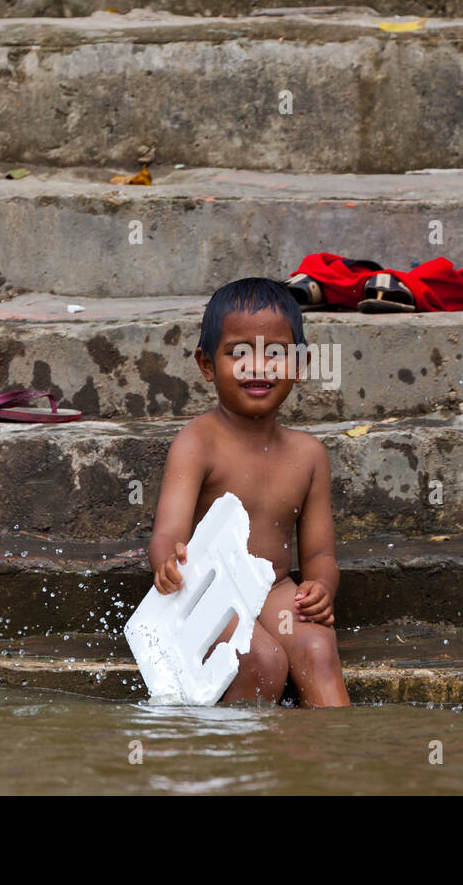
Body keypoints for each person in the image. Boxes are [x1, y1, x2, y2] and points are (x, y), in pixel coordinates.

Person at [148, 278, 351, 707]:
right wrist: (167, 563)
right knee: (261, 659)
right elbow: (168, 533)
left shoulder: (308, 455)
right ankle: (240, 749)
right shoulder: (198, 443)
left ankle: (333, 746)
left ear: (300, 364)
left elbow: (319, 554)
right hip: (207, 591)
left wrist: (321, 587)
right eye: (239, 353)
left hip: (275, 591)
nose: (257, 367)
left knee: (317, 648)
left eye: (275, 353)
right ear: (207, 364)